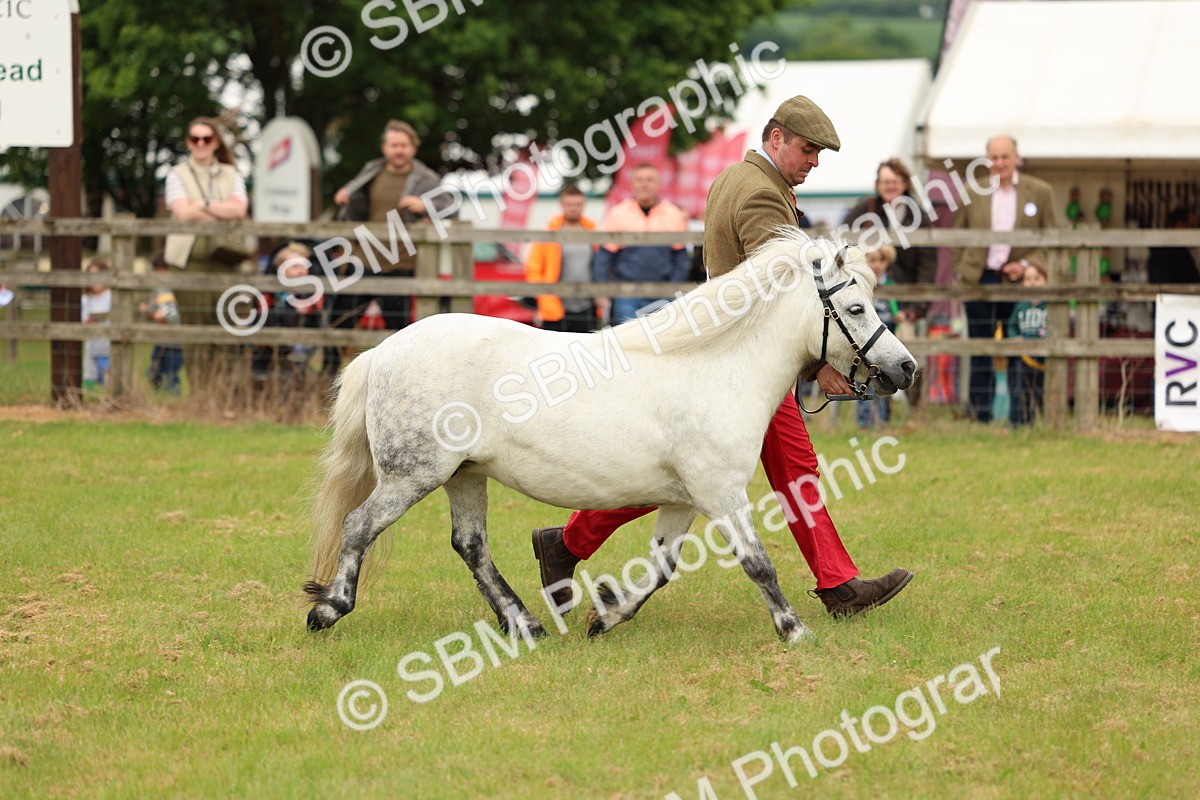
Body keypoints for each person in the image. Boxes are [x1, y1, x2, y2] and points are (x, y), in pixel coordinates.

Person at [532, 97, 914, 619]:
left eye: (820, 154)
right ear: (775, 138)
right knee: (761, 472)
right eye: (808, 150)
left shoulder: (738, 178)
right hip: (745, 365)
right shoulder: (762, 196)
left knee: (693, 473)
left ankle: (568, 543)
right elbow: (779, 297)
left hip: (731, 359)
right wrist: (819, 365)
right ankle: (838, 587)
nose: (814, 162)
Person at [951, 135, 1059, 423]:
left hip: (1017, 283)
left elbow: (1053, 239)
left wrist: (1025, 265)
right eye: (994, 158)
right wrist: (962, 270)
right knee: (980, 348)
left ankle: (1020, 417)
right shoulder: (971, 192)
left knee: (1018, 348)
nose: (999, 163)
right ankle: (979, 415)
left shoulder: (1040, 192)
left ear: (1017, 159)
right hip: (979, 280)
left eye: (1005, 157)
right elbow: (956, 237)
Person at [331, 120, 450, 333]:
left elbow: (450, 206)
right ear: (384, 147)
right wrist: (344, 196)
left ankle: (400, 368)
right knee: (339, 321)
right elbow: (352, 196)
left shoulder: (426, 179)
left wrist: (425, 205)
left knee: (398, 330)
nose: (399, 150)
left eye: (404, 145)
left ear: (413, 147)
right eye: (394, 145)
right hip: (363, 259)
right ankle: (330, 367)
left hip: (400, 263)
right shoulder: (371, 171)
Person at [843, 159, 938, 408]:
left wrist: (919, 306)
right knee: (870, 357)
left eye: (895, 182)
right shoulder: (866, 210)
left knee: (911, 358)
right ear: (878, 184)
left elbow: (928, 262)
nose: (890, 186)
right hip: (866, 299)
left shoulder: (917, 215)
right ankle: (872, 412)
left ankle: (916, 410)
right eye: (885, 182)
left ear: (905, 184)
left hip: (906, 299)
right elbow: (843, 241)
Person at [164, 116, 249, 375]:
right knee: (195, 329)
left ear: (215, 143)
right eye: (195, 138)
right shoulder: (176, 175)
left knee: (227, 326)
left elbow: (241, 210)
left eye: (206, 138)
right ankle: (201, 394)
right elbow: (183, 213)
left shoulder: (231, 173)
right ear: (188, 143)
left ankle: (222, 393)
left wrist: (204, 205)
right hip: (189, 261)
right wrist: (222, 210)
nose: (200, 143)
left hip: (226, 259)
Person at [593, 164, 689, 325]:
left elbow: (681, 258)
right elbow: (604, 257)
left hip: (663, 293)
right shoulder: (617, 213)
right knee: (627, 343)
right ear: (632, 184)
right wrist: (601, 292)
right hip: (626, 294)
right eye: (639, 180)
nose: (645, 184)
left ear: (658, 184)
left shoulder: (674, 214)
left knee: (660, 343)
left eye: (650, 180)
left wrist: (674, 289)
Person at [524, 184, 599, 332]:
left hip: (586, 306)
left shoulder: (593, 232)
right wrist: (543, 296)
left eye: (578, 204)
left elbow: (599, 265)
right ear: (561, 205)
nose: (573, 208)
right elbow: (533, 269)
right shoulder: (549, 233)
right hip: (555, 307)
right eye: (569, 204)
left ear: (584, 205)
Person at [857, 245, 899, 428]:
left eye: (880, 260)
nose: (876, 265)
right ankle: (864, 421)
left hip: (887, 341)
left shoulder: (890, 285)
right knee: (863, 380)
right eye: (872, 260)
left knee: (884, 380)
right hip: (866, 344)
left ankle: (881, 420)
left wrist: (900, 315)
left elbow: (896, 306)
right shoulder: (861, 285)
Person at [1006, 265, 1049, 426]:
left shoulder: (1050, 305)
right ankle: (1020, 421)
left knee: (1041, 389)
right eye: (1028, 279)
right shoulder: (1021, 305)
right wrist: (1014, 337)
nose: (1032, 283)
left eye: (1037, 279)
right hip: (1023, 355)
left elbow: (1057, 326)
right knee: (1020, 388)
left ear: (1046, 281)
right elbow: (1011, 325)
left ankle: (1044, 420)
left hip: (1043, 356)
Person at [139, 254, 183, 393]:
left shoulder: (167, 289)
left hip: (173, 339)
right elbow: (156, 312)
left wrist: (150, 313)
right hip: (162, 338)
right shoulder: (158, 289)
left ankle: (171, 392)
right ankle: (159, 391)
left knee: (170, 372)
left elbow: (168, 316)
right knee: (155, 370)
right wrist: (148, 311)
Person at [81, 258, 112, 389]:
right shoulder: (85, 298)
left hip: (108, 349)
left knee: (108, 383)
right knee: (90, 381)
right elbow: (83, 321)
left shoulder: (112, 296)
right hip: (91, 348)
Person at [1147, 207, 1200, 284]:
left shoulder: (1179, 250)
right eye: (1191, 226)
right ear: (1179, 224)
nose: (1193, 231)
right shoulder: (1165, 252)